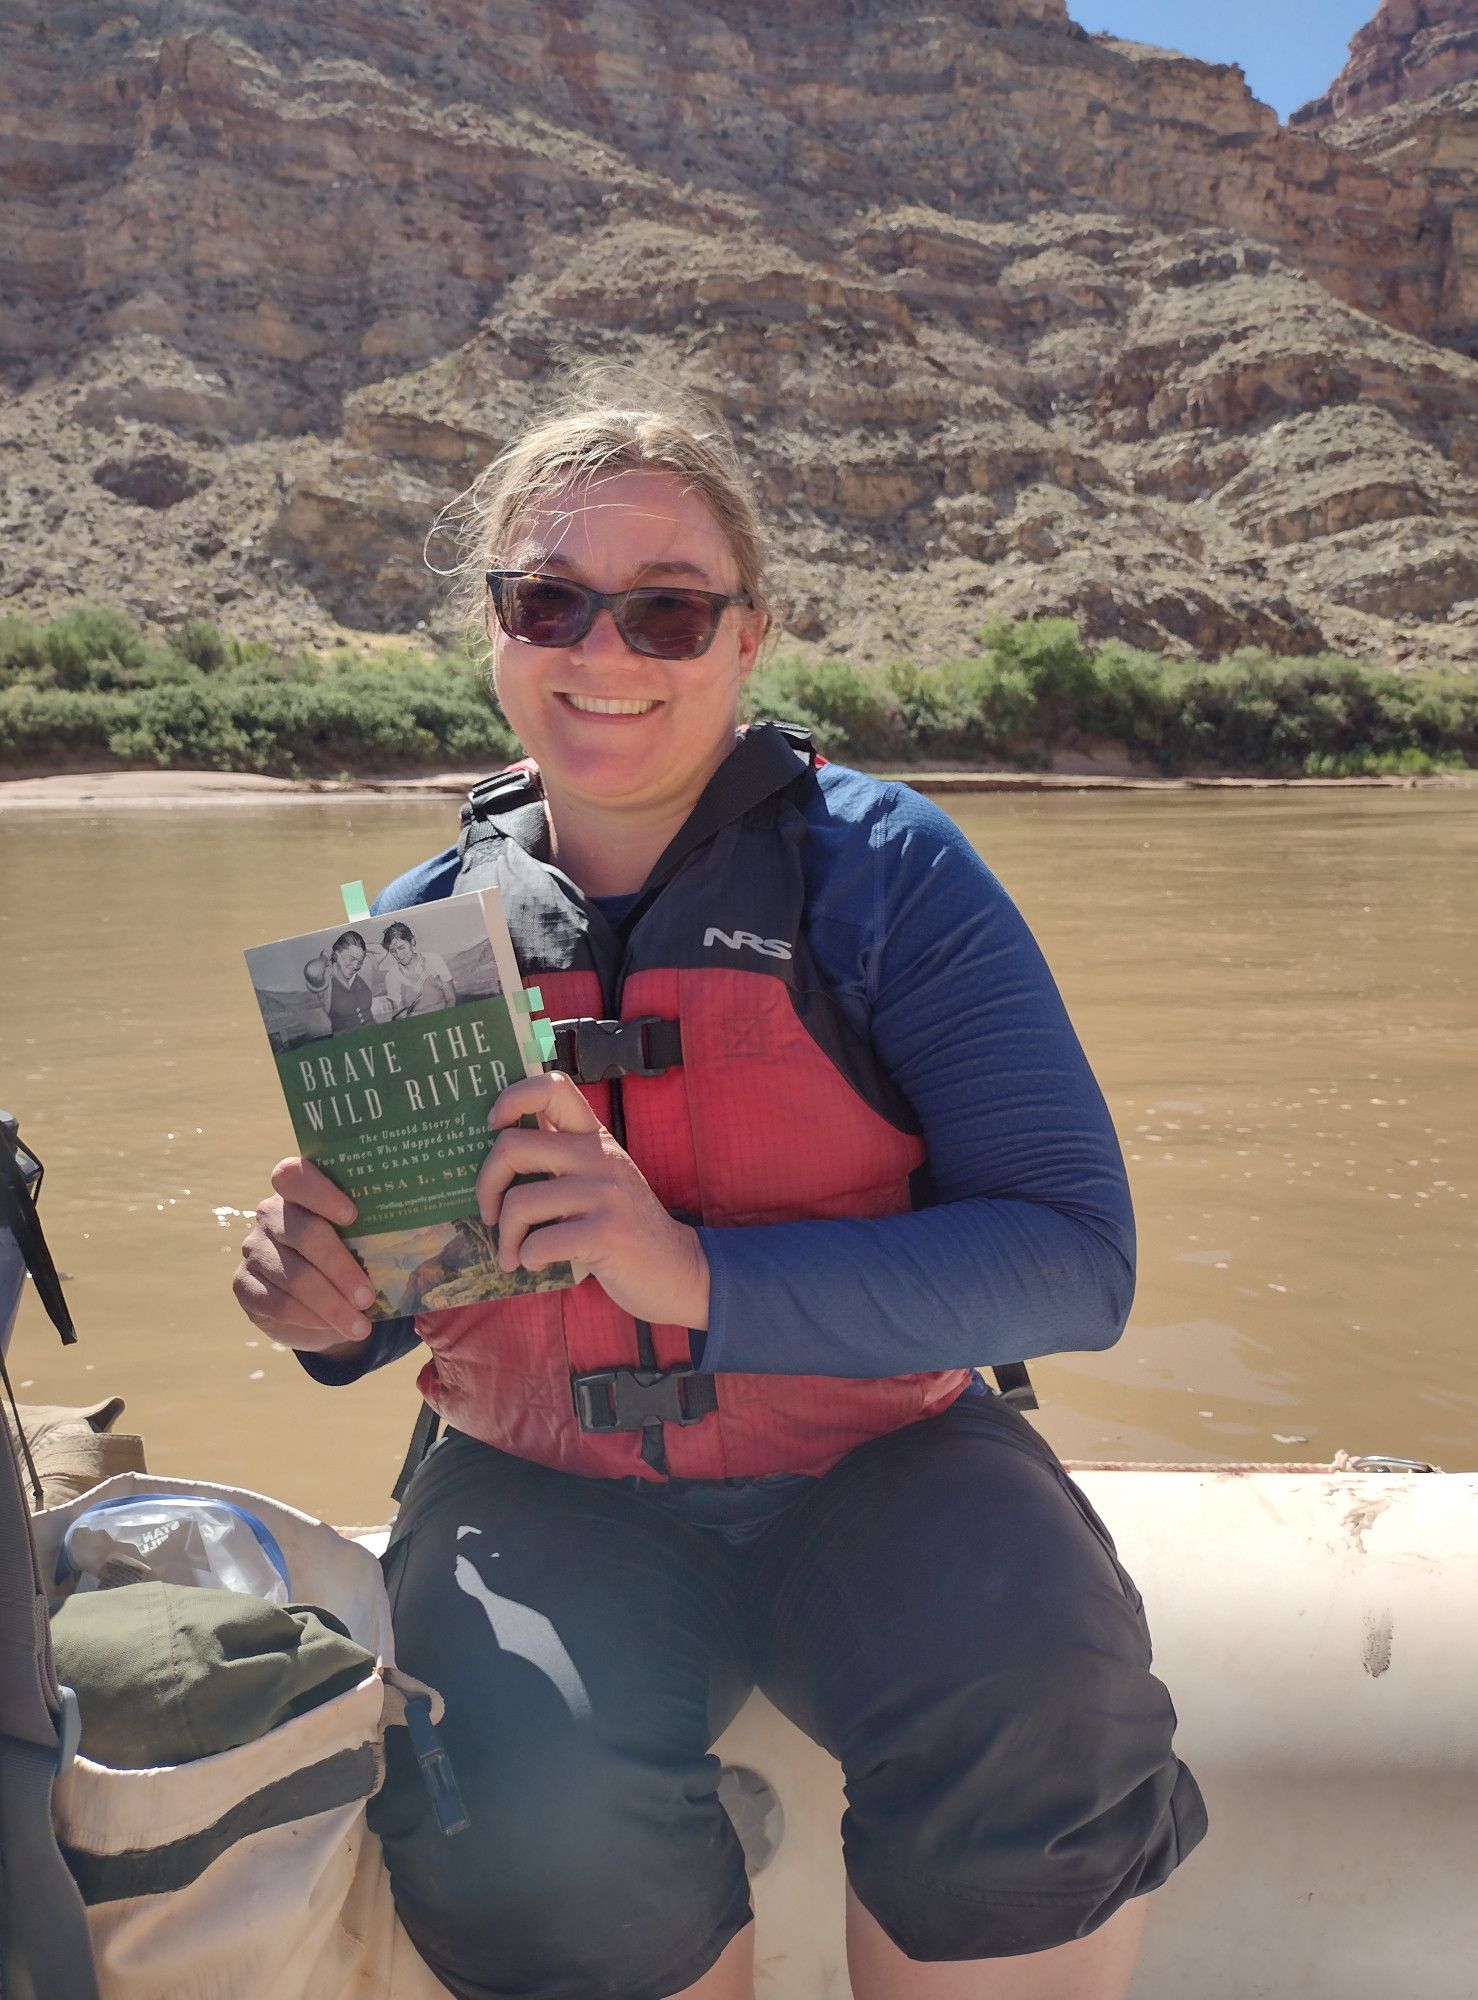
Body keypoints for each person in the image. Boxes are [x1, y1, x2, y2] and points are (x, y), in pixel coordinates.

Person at [232, 382, 1206, 2000]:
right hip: (543, 1483)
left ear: (750, 637)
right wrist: (325, 1304)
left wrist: (695, 1273)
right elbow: (406, 1293)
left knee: (1044, 1697)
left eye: (666, 611)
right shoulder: (406, 934)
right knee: (524, 1826)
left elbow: (1075, 1261)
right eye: (551, 601)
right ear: (495, 629)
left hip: (878, 1458)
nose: (603, 654)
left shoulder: (890, 876)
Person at [303, 929, 378, 1034]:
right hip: (348, 1046)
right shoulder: (327, 987)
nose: (356, 966)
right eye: (351, 959)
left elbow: (383, 951)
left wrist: (361, 950)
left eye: (359, 961)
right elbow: (313, 971)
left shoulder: (362, 973)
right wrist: (324, 957)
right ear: (337, 955)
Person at [380, 921, 456, 1018]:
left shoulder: (434, 960)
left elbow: (451, 998)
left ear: (412, 941)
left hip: (444, 1016)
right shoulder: (392, 976)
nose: (398, 955)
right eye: (393, 951)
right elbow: (401, 1015)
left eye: (401, 947)